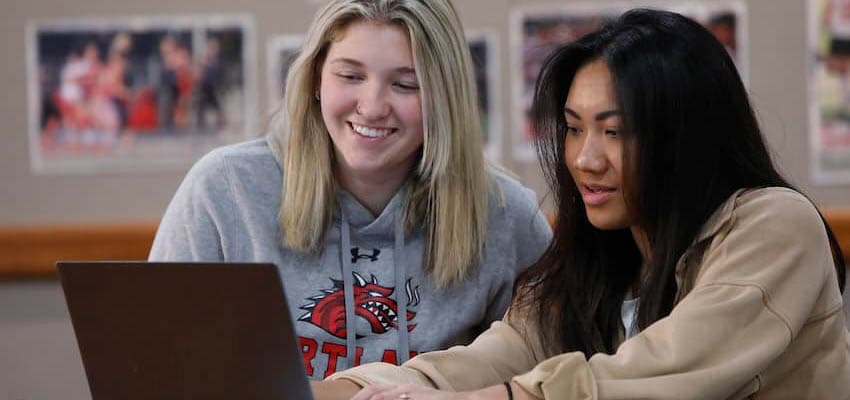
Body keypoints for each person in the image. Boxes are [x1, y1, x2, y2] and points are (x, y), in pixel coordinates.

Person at [314, 8, 850, 400]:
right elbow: (492, 357)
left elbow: (670, 369)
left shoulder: (776, 223)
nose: (585, 159)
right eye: (573, 129)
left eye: (613, 131)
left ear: (684, 136)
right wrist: (356, 391)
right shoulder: (594, 258)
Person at [149, 0, 552, 381]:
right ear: (316, 79)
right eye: (350, 76)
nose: (373, 106)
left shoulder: (506, 214)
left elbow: (554, 372)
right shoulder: (224, 190)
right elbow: (152, 363)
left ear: (443, 98)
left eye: (406, 84)